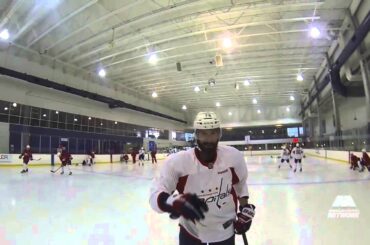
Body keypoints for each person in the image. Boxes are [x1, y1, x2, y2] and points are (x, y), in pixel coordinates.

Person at [149, 112, 255, 245]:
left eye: (213, 133)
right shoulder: (177, 162)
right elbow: (155, 194)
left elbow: (240, 184)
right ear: (196, 135)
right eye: (203, 133)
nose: (209, 139)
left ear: (219, 134)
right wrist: (172, 202)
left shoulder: (234, 156)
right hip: (191, 233)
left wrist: (245, 208)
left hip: (225, 232)